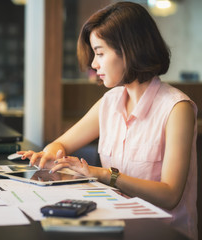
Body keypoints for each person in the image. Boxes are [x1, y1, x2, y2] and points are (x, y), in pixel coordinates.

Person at [18, 2, 197, 239]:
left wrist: (104, 174)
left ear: (129, 50)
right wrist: (50, 155)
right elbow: (60, 145)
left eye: (100, 53)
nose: (94, 64)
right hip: (113, 226)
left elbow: (170, 195)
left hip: (162, 233)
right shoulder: (109, 103)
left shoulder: (176, 108)